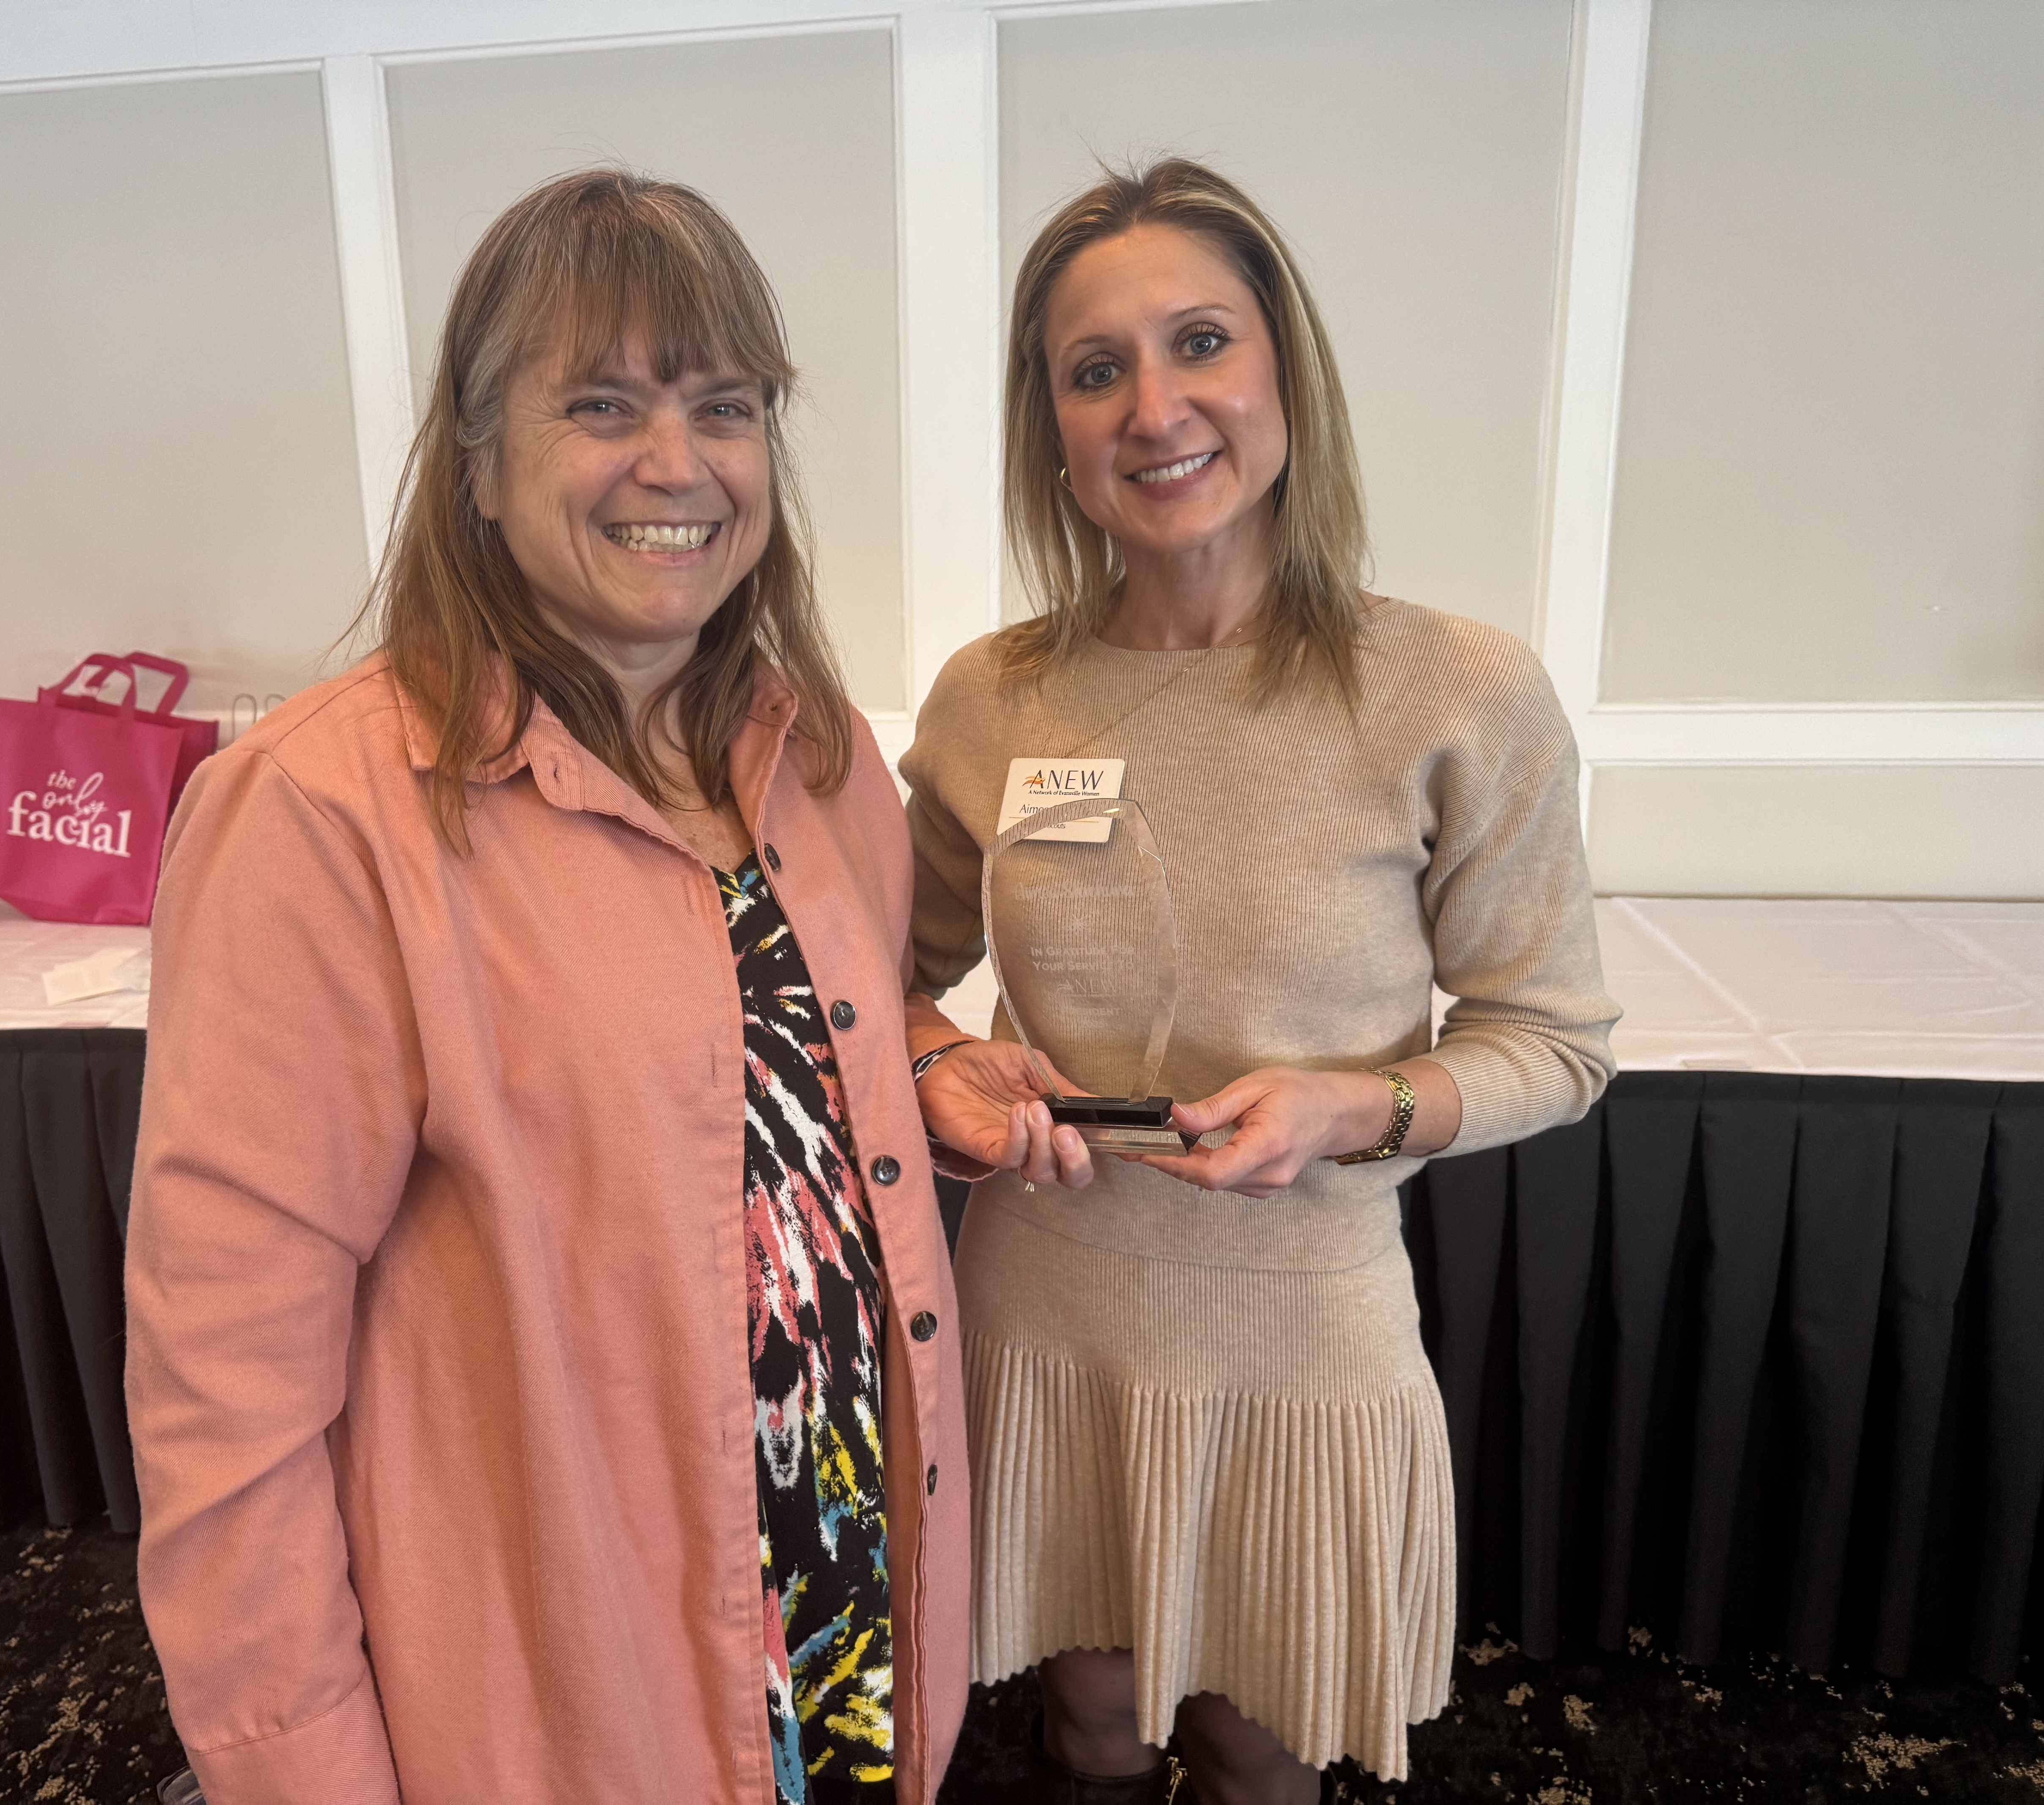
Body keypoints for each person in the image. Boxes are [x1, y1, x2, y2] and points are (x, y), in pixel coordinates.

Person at [125, 169, 968, 1805]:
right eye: (601, 405)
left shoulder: (821, 757)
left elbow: (783, 1069)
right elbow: (225, 1399)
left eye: (725, 406)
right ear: (477, 462)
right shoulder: (319, 814)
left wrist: (933, 1068)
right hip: (564, 1693)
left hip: (850, 1621)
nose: (677, 461)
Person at [899, 160, 1618, 1802]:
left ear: (1287, 368)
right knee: (1083, 1727)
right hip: (1049, 1312)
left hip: (1301, 1334)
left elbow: (1556, 1043)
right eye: (1097, 369)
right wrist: (941, 1065)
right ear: (1053, 428)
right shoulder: (994, 699)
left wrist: (1355, 1106)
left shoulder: (1456, 690)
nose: (1156, 408)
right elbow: (879, 978)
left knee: (1257, 1750)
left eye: (1202, 342)